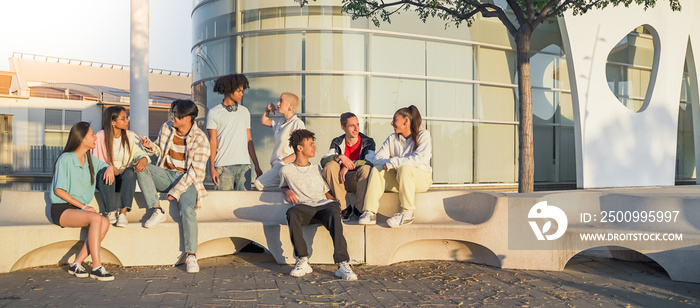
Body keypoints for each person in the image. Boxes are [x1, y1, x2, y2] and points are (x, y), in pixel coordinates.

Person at [136, 99, 211, 273]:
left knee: (187, 211)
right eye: (173, 113)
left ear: (188, 118)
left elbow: (195, 172)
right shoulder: (167, 127)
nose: (173, 116)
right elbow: (160, 152)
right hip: (167, 174)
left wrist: (176, 192)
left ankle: (191, 255)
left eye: (176, 114)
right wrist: (150, 147)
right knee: (141, 167)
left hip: (188, 180)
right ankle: (157, 210)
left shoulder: (201, 139)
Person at [280, 129, 358, 280]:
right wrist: (286, 191)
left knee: (333, 211)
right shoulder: (286, 170)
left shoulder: (317, 168)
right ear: (299, 148)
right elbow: (283, 185)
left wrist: (334, 203)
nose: (314, 147)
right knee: (291, 213)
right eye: (310, 144)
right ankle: (302, 260)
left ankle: (343, 264)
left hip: (324, 206)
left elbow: (326, 191)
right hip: (304, 209)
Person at [50, 121, 118, 281]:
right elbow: (58, 190)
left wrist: (109, 167)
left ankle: (76, 263)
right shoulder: (65, 159)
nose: (95, 137)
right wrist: (84, 206)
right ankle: (96, 266)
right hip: (61, 209)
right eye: (92, 134)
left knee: (105, 222)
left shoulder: (90, 159)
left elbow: (116, 170)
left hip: (78, 210)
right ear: (81, 139)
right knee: (96, 218)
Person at [359, 105, 433, 227]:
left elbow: (419, 158)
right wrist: (390, 163)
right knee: (377, 169)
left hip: (421, 179)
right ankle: (370, 212)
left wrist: (393, 162)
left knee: (405, 168)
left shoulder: (423, 135)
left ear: (406, 121)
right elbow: (378, 159)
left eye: (395, 120)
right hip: (401, 179)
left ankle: (407, 214)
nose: (391, 123)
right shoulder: (392, 138)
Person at [93, 106, 150, 227]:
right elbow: (95, 163)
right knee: (104, 171)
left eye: (127, 118)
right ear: (113, 122)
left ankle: (123, 213)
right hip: (105, 181)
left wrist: (143, 159)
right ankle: (110, 211)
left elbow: (139, 153)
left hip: (123, 181)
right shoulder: (100, 136)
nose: (127, 121)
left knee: (130, 172)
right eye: (123, 119)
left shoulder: (130, 136)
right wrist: (109, 167)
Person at [207, 74, 263, 191]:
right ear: (228, 90)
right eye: (239, 91)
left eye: (242, 91)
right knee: (224, 205)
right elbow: (212, 142)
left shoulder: (245, 112)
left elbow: (249, 140)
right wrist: (211, 167)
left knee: (244, 206)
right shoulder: (214, 113)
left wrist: (256, 166)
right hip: (223, 166)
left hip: (244, 166)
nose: (241, 94)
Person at [320, 112, 375, 221]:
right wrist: (341, 157)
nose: (356, 129)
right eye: (351, 126)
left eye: (357, 124)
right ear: (343, 127)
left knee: (367, 169)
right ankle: (345, 208)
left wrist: (349, 165)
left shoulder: (368, 142)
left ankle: (359, 209)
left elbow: (370, 162)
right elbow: (324, 161)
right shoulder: (337, 142)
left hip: (357, 180)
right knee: (330, 166)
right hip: (340, 181)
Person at [253, 92, 305, 191]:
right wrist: (267, 109)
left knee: (259, 183)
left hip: (286, 165)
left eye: (281, 101)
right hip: (276, 165)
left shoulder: (297, 123)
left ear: (290, 105)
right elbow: (264, 121)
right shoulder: (279, 122)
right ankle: (287, 190)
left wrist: (284, 161)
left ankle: (288, 189)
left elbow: (301, 150)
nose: (277, 104)